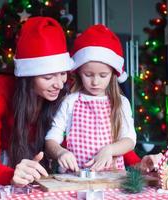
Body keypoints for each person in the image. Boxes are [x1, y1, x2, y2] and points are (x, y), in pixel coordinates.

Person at [0, 17, 74, 186]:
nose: (59, 84)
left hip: (52, 172)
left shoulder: (67, 88)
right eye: (48, 77)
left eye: (63, 73)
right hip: (6, 168)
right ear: (28, 76)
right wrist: (12, 175)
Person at [45, 24, 138, 172]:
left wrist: (109, 150)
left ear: (113, 74)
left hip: (112, 177)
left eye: (103, 75)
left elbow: (129, 140)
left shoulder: (120, 102)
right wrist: (60, 152)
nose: (95, 82)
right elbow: (51, 139)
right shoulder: (70, 101)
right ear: (79, 72)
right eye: (88, 75)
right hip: (75, 178)